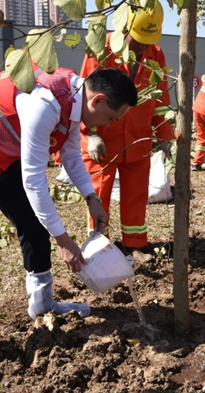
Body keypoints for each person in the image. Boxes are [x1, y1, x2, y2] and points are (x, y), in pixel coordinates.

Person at [0, 66, 138, 381]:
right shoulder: (44, 102)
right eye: (112, 118)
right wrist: (65, 242)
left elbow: (71, 153)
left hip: (3, 155)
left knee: (33, 226)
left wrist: (92, 198)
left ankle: (42, 305)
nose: (110, 125)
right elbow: (33, 181)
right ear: (97, 101)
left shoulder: (74, 96)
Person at [80, 0, 173, 251]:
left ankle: (135, 244)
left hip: (138, 139)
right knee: (99, 194)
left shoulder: (156, 54)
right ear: (125, 27)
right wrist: (90, 134)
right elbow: (84, 96)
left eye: (148, 39)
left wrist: (165, 134)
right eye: (138, 38)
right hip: (104, 138)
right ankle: (101, 247)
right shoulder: (101, 49)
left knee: (136, 195)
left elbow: (161, 97)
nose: (142, 46)